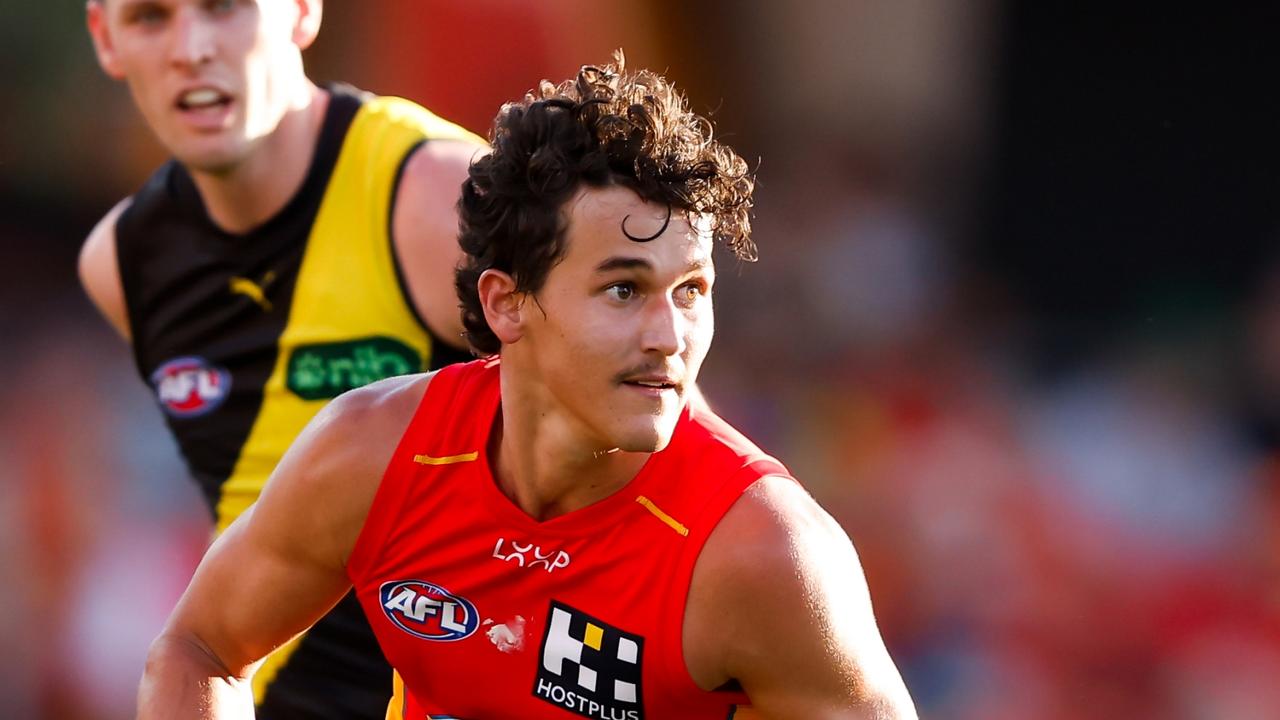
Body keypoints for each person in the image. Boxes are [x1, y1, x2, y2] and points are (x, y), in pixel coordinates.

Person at [136, 54, 919, 719]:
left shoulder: (761, 555)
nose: (669, 336)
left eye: (691, 291)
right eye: (623, 289)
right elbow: (196, 649)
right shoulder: (374, 453)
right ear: (506, 303)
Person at [80, 1, 486, 717]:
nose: (191, 48)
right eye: (150, 16)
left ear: (302, 11)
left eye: (224, 7)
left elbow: (653, 459)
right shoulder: (122, 262)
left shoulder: (443, 203)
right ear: (105, 39)